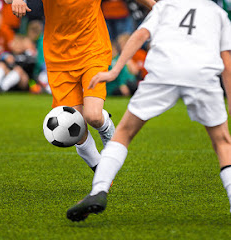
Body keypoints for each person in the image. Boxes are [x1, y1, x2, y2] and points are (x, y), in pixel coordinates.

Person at [67, 0, 231, 221]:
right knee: (222, 141)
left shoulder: (167, 5)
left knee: (124, 132)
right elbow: (227, 62)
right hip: (202, 74)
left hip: (164, 72)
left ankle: (99, 190)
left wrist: (115, 70)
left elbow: (140, 35)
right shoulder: (218, 14)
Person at [4, 0, 155, 175]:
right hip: (58, 58)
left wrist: (157, 7)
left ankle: (106, 128)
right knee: (75, 128)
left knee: (93, 116)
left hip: (93, 51)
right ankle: (101, 170)